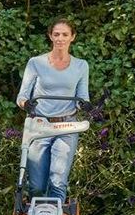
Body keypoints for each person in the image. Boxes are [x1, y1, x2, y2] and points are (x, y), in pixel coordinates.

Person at [16, 18, 90, 202]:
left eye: (65, 34)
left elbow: (82, 97)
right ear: (50, 36)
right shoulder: (35, 63)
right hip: (40, 125)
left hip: (67, 127)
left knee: (58, 181)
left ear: (72, 37)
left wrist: (85, 105)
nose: (60, 38)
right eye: (56, 34)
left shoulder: (81, 65)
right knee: (37, 186)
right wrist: (27, 104)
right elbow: (22, 97)